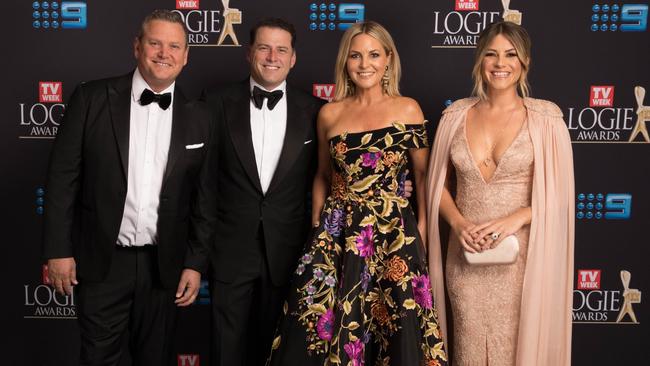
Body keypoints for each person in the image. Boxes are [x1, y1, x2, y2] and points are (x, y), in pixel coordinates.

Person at [267, 21, 447, 366]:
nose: (365, 64)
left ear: (388, 59)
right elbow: (322, 174)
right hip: (337, 233)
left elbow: (423, 175)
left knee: (395, 328)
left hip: (393, 234)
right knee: (315, 323)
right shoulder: (330, 113)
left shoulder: (408, 109)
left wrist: (422, 227)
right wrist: (319, 224)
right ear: (345, 62)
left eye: (374, 55)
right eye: (356, 55)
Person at [42, 10, 213, 365]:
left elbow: (204, 200)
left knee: (156, 358)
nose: (163, 53)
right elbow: (62, 180)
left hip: (163, 267)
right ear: (137, 47)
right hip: (102, 263)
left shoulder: (200, 116)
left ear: (185, 56)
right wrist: (58, 250)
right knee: (98, 358)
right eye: (155, 43)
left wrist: (195, 264)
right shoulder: (92, 98)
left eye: (174, 46)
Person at [425, 21, 574, 365]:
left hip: (522, 262)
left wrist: (514, 219)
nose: (500, 63)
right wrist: (459, 225)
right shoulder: (454, 116)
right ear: (479, 60)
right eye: (491, 54)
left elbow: (561, 195)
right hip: (465, 261)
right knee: (469, 350)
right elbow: (437, 187)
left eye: (510, 55)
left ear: (524, 62)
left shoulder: (546, 119)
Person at [201, 18, 325, 366]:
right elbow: (202, 182)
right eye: (264, 47)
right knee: (226, 352)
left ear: (293, 58)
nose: (273, 56)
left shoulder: (316, 111)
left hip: (289, 255)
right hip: (229, 251)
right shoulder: (215, 102)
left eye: (281, 49)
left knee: (283, 355)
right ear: (248, 53)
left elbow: (330, 175)